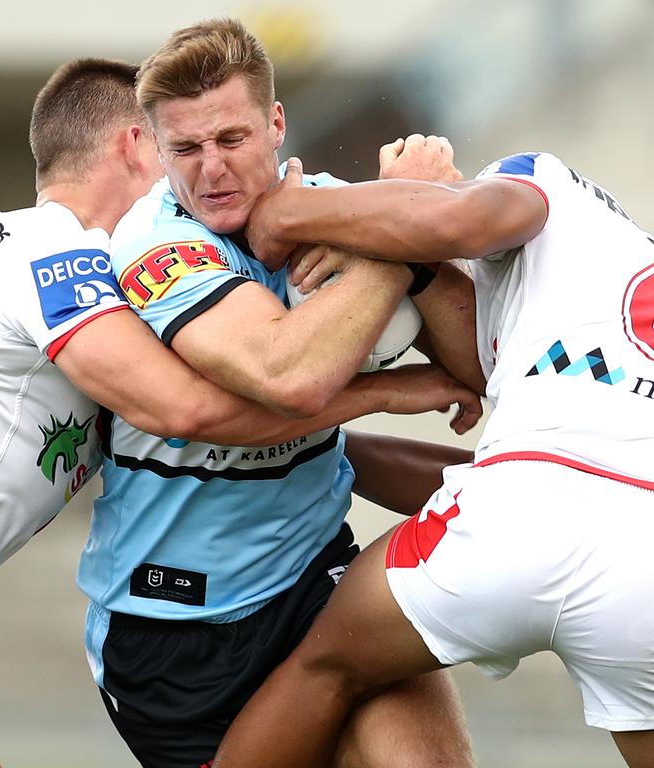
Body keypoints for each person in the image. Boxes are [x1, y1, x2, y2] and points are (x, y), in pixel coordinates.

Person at [0, 58, 476, 768]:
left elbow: (269, 435)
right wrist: (390, 383)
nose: (192, 181)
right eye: (179, 153)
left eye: (228, 141)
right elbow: (190, 410)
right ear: (141, 144)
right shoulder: (56, 254)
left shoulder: (26, 255)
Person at [77, 18, 481, 768]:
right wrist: (396, 240)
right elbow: (289, 375)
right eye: (185, 150)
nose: (211, 171)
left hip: (315, 579)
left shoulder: (335, 206)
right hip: (174, 630)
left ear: (276, 125)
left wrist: (411, 234)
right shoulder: (153, 242)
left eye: (231, 140)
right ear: (159, 152)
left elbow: (482, 364)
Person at [210, 145, 654, 768]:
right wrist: (324, 449)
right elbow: (514, 475)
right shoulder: (593, 309)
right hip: (641, 569)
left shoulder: (548, 180)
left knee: (325, 668)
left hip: (521, 516)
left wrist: (293, 212)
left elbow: (453, 222)